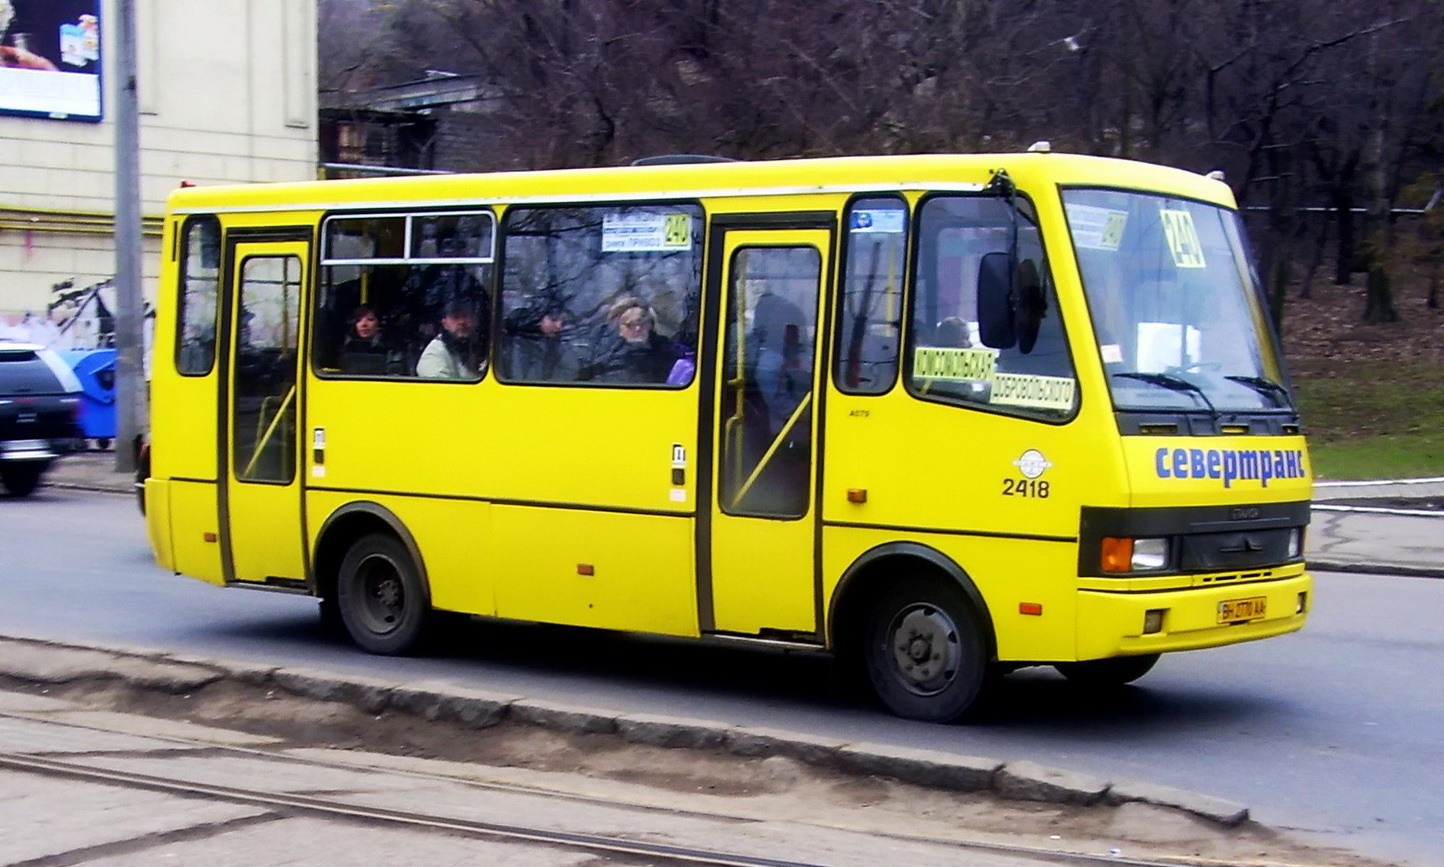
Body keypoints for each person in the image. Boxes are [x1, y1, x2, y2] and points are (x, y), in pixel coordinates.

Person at [584, 296, 684, 384]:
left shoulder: (669, 351)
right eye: (630, 325)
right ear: (618, 329)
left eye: (643, 322)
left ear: (651, 324)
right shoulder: (604, 357)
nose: (638, 328)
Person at [504, 294, 575, 381]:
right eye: (554, 319)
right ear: (538, 317)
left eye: (562, 321)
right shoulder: (516, 344)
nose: (559, 326)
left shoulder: (559, 346)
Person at [416, 298, 481, 379]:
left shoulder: (486, 346)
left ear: (476, 319)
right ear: (444, 323)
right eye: (455, 317)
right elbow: (440, 389)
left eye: (465, 315)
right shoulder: (435, 353)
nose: (462, 322)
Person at [341, 304, 390, 374]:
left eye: (370, 319)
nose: (364, 324)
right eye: (359, 320)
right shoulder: (347, 347)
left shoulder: (390, 349)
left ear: (379, 323)